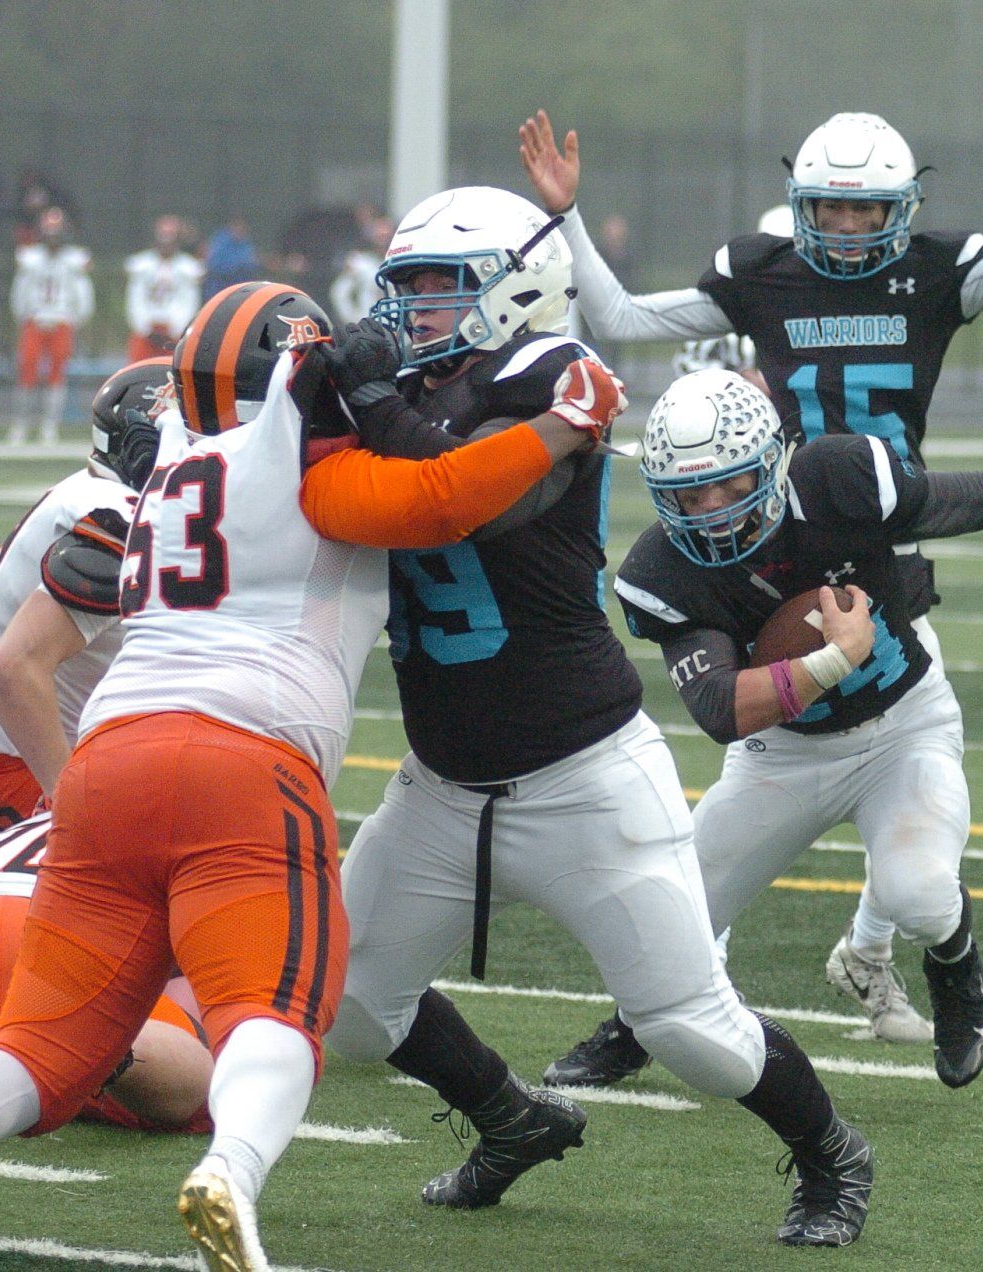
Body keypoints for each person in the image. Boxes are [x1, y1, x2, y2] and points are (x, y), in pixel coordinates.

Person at [0, 279, 610, 1271]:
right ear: (293, 374)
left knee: (33, 1062)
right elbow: (445, 494)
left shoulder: (167, 473)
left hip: (107, 764)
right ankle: (232, 1172)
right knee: (273, 1014)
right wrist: (567, 423)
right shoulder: (301, 459)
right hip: (242, 758)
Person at [520, 91, 983, 1034]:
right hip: (771, 518)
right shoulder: (764, 275)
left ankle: (878, 937)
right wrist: (565, 212)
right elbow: (616, 312)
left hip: (878, 514)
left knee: (893, 710)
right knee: (776, 725)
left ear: (902, 209)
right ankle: (785, 965)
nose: (852, 227)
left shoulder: (936, 274)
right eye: (831, 207)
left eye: (869, 209)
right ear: (803, 205)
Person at [323, 185, 875, 1246]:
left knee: (693, 1035)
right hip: (443, 786)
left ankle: (830, 1153)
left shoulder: (554, 375)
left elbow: (461, 489)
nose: (419, 309)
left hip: (584, 779)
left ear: (522, 282)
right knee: (349, 1007)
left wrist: (369, 401)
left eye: (446, 285)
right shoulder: (404, 394)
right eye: (412, 288)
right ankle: (511, 1118)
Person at [544, 368, 983, 1092]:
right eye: (687, 495)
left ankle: (956, 973)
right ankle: (636, 1027)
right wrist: (834, 659)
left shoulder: (838, 479)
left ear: (770, 462)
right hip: (781, 758)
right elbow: (719, 710)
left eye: (727, 485)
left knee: (919, 892)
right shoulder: (658, 571)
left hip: (903, 729)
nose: (708, 510)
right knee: (670, 918)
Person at [0, 358, 167, 855]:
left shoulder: (91, 492)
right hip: (6, 758)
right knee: (133, 875)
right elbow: (13, 666)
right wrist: (65, 794)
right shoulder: (117, 517)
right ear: (146, 448)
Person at [0, 811, 213, 1134]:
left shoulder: (65, 811)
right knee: (218, 1089)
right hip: (61, 947)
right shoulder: (212, 830)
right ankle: (97, 1048)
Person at [9, 206, 93, 446]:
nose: (53, 236)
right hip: (35, 319)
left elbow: (82, 292)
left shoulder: (74, 258)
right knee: (27, 372)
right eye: (49, 230)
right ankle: (21, 424)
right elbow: (20, 290)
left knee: (57, 375)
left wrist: (75, 318)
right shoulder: (30, 257)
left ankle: (49, 426)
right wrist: (24, 315)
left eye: (57, 230)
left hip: (62, 320)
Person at [126, 215, 206, 361]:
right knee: (139, 370)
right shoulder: (141, 265)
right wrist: (143, 326)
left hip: (173, 331)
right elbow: (135, 298)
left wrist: (178, 327)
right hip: (146, 329)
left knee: (173, 372)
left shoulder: (187, 267)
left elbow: (189, 300)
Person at [329, 215, 391, 327]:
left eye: (386, 235)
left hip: (398, 327)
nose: (383, 240)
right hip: (370, 326)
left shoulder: (398, 261)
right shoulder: (360, 262)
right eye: (380, 235)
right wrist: (355, 320)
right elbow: (340, 293)